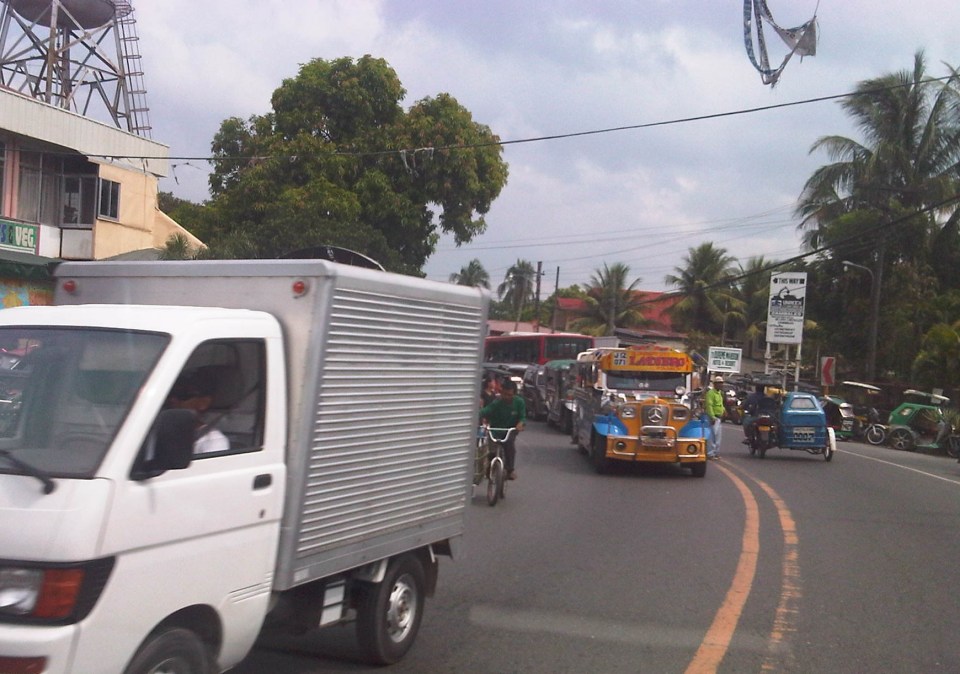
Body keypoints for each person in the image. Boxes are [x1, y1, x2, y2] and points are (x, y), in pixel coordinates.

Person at [166, 369, 230, 454]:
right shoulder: (158, 433)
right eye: (171, 394)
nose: (173, 400)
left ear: (203, 402)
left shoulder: (213, 441)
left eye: (183, 395)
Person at [479, 378, 525, 480]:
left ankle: (510, 470)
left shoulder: (519, 402)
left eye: (509, 395)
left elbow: (522, 417)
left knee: (509, 446)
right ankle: (490, 467)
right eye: (504, 394)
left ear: (514, 394)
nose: (506, 397)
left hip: (510, 431)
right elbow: (486, 411)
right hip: (495, 430)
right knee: (492, 451)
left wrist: (520, 424)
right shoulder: (497, 402)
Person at [704, 375, 725, 459]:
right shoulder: (711, 393)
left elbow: (720, 404)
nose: (721, 385)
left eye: (722, 383)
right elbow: (709, 406)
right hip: (713, 418)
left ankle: (716, 453)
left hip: (719, 418)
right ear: (715, 384)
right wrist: (712, 417)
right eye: (719, 383)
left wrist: (724, 411)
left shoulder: (719, 393)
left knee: (718, 437)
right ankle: (710, 453)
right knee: (712, 436)